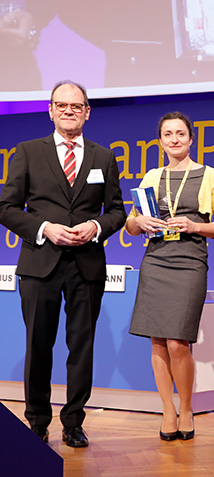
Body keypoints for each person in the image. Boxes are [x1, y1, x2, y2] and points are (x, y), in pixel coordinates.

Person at [0, 80, 126, 447]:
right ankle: (37, 422)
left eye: (77, 106)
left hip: (86, 265)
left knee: (81, 346)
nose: (69, 111)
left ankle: (73, 421)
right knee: (38, 345)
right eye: (62, 105)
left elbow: (116, 211)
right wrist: (44, 228)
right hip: (40, 264)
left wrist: (97, 226)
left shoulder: (103, 156)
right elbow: (6, 208)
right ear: (51, 110)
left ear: (87, 112)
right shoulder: (27, 152)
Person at [124, 112, 214, 441]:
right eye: (168, 134)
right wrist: (140, 223)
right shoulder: (152, 177)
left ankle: (187, 409)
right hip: (155, 259)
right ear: (160, 141)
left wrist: (196, 226)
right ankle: (167, 410)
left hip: (189, 261)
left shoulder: (212, 176)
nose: (174, 139)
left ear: (191, 139)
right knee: (157, 341)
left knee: (177, 342)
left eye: (180, 133)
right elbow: (130, 225)